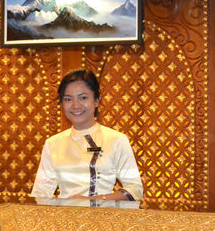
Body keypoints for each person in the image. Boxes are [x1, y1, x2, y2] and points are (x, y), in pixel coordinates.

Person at [31, 68, 144, 201]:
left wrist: (92, 200)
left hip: (103, 218)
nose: (75, 105)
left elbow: (135, 190)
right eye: (68, 99)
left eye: (83, 98)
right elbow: (41, 194)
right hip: (64, 218)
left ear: (97, 100)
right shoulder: (53, 143)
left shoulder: (116, 140)